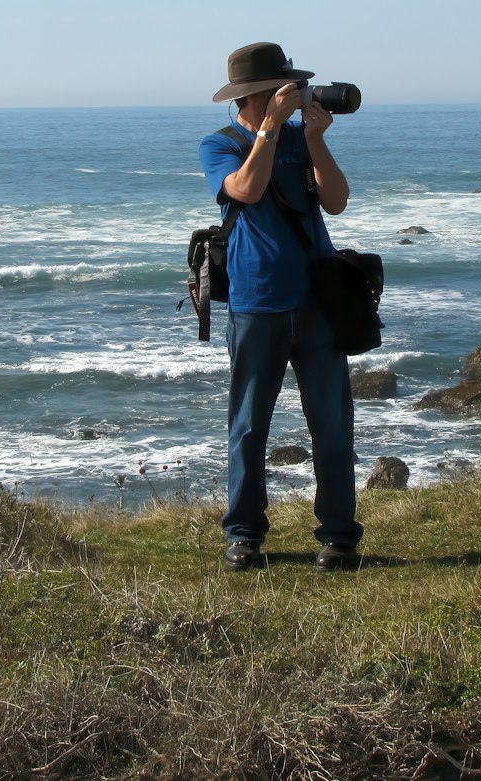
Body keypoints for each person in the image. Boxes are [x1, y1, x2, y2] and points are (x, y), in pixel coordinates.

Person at [199, 42, 363, 571]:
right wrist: (269, 128)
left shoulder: (300, 138)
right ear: (255, 95)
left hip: (318, 303)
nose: (291, 94)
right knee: (249, 426)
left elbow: (335, 200)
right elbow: (245, 189)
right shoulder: (220, 143)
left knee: (331, 425)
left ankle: (339, 537)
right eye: (281, 87)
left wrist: (314, 139)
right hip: (256, 302)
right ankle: (244, 536)